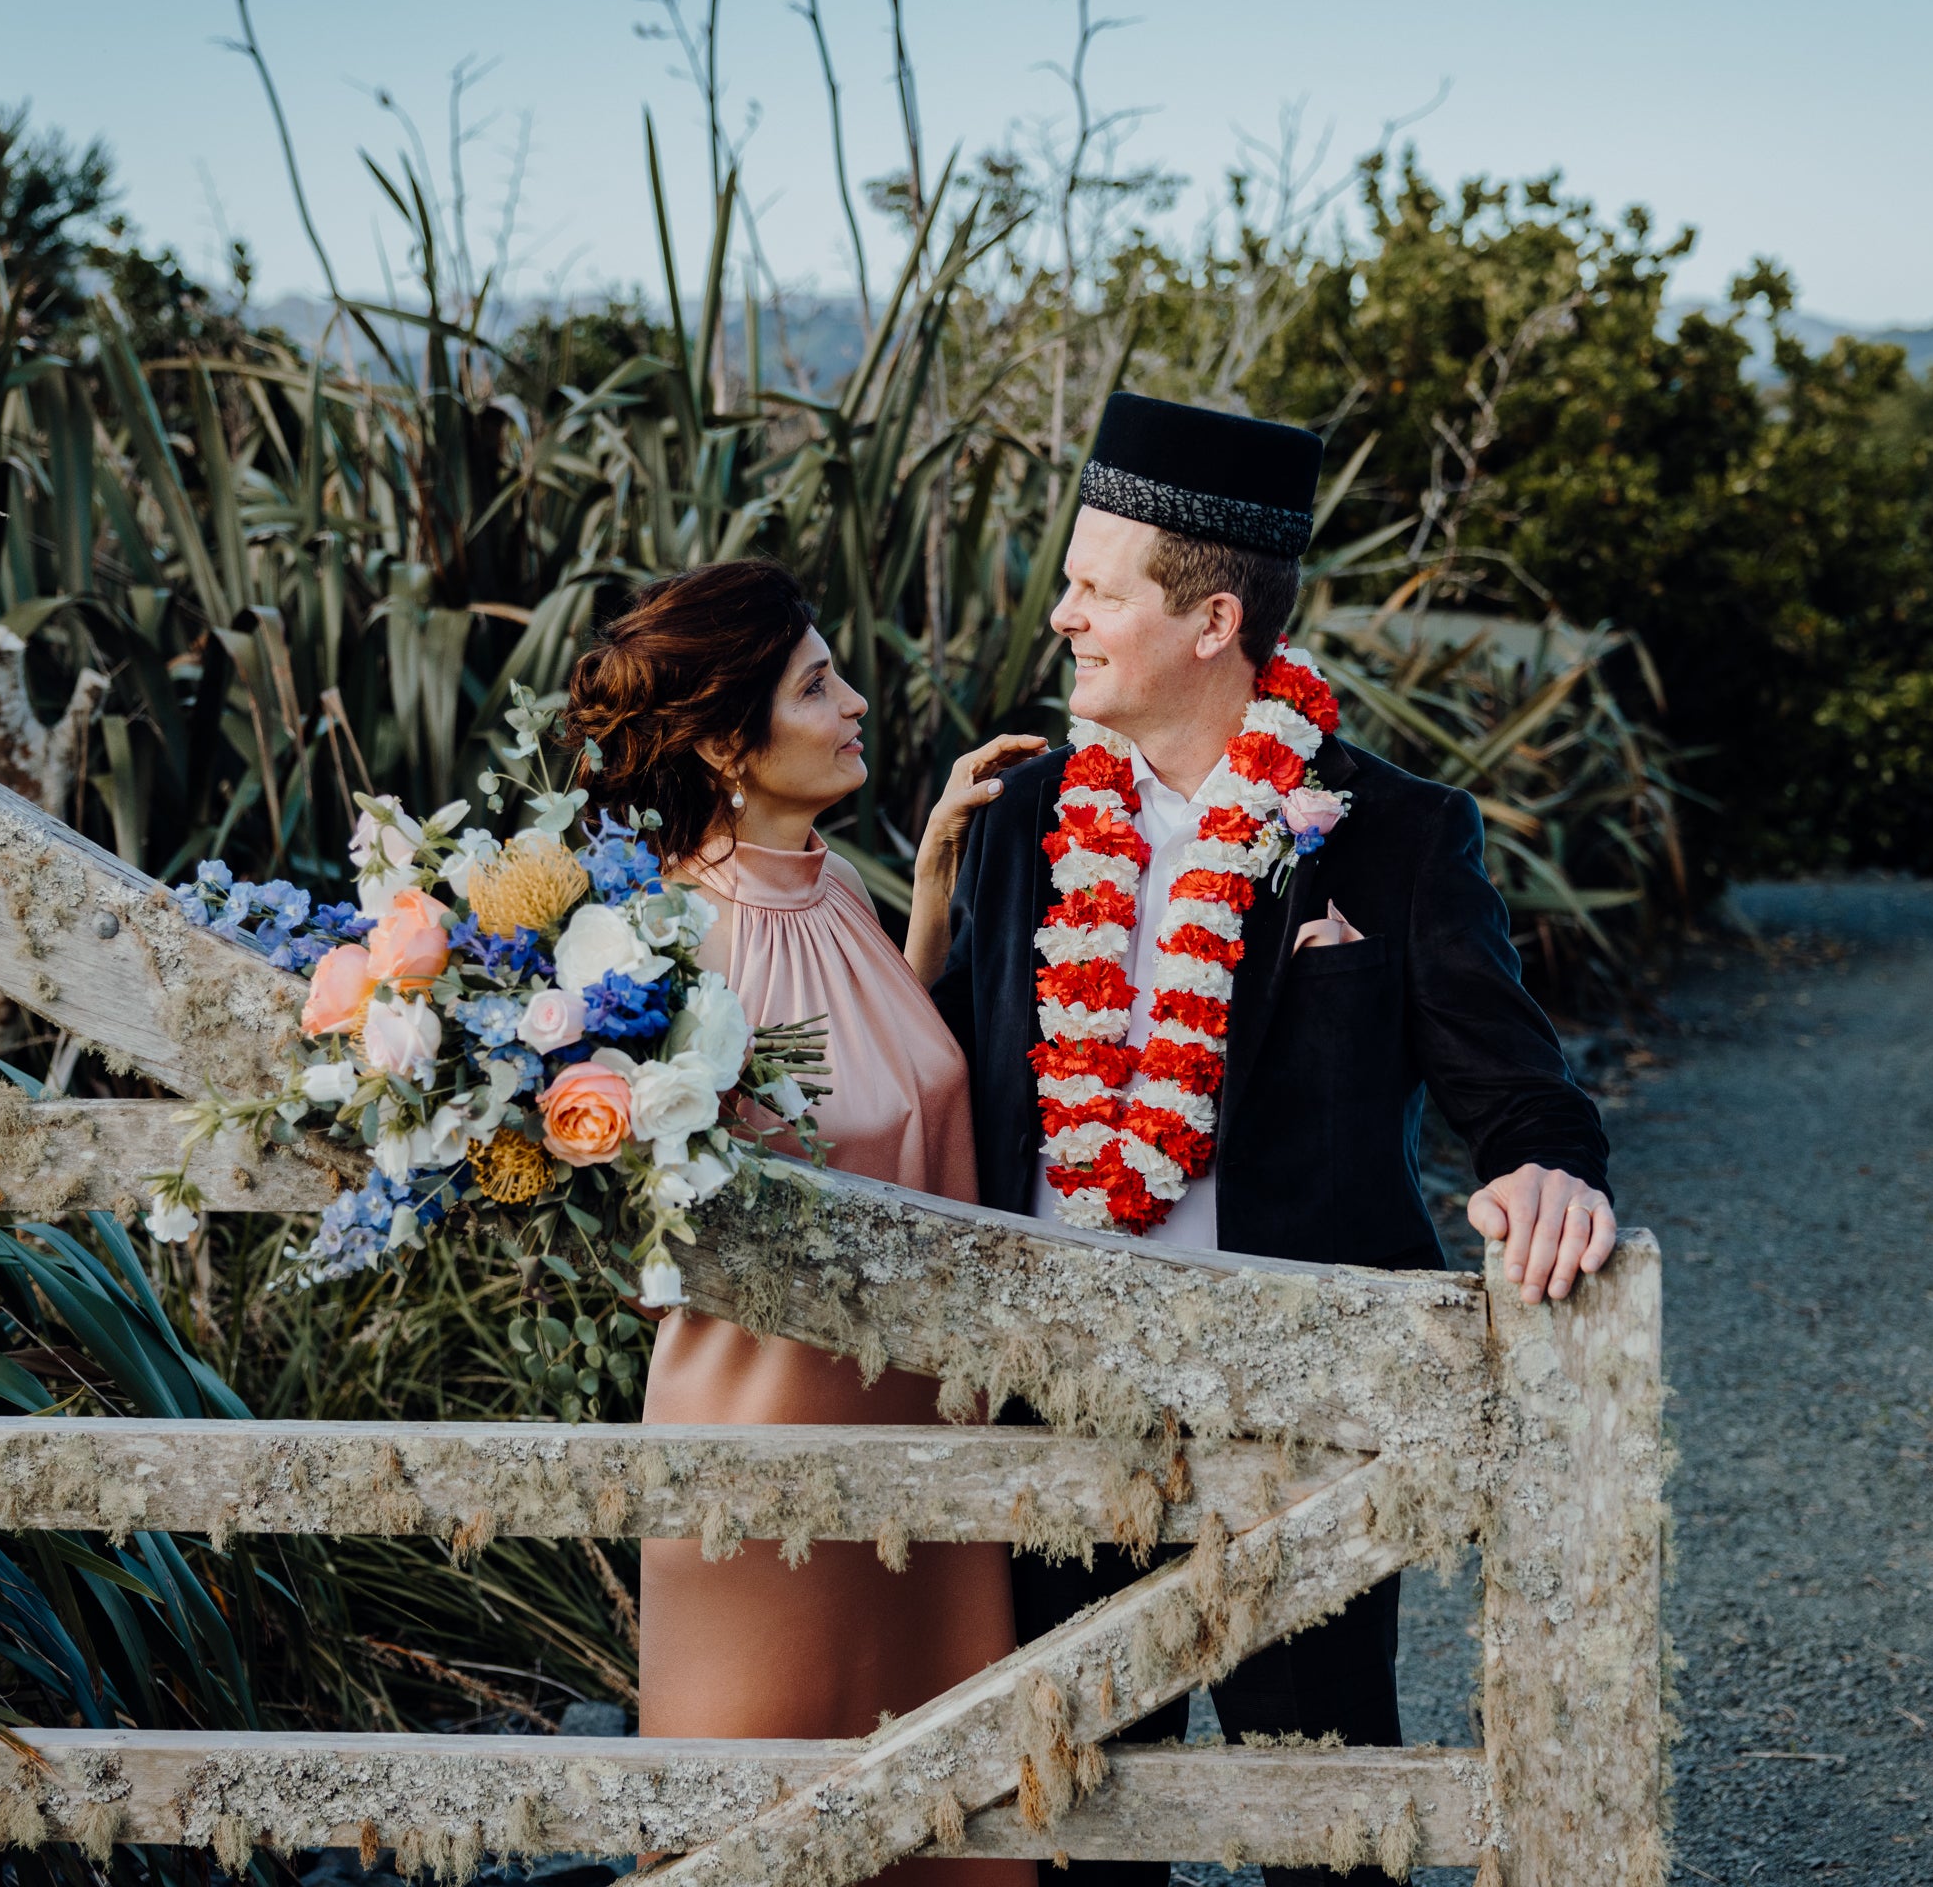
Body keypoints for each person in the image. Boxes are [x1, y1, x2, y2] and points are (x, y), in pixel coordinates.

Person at [920, 392, 1617, 1887]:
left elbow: (1521, 1095)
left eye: (1094, 591)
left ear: (1211, 620)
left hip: (1299, 1407)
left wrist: (1549, 1169)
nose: (1062, 619)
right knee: (1081, 1808)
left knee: (1323, 1806)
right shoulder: (1024, 820)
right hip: (1063, 1393)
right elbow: (950, 1079)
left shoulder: (1393, 833)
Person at [566, 559, 1040, 1887]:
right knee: (767, 1812)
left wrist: (931, 879)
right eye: (816, 685)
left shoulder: (827, 883)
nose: (854, 702)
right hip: (767, 1434)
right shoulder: (658, 943)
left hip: (924, 1428)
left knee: (937, 1813)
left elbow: (884, 1070)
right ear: (727, 743)